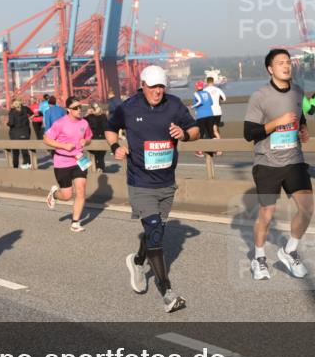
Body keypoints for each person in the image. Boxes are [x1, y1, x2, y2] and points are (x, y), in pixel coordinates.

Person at [106, 65, 198, 312]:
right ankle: (167, 291)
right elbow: (110, 128)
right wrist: (115, 147)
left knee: (155, 232)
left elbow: (195, 129)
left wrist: (185, 134)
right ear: (142, 85)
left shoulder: (174, 104)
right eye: (153, 87)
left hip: (167, 182)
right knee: (155, 231)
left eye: (161, 87)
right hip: (140, 182)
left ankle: (137, 261)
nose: (158, 92)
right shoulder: (129, 107)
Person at [243, 48, 312, 281]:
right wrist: (276, 123)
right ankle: (259, 257)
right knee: (267, 215)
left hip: (294, 160)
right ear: (270, 69)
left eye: (288, 62)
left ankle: (289, 250)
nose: (286, 65)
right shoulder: (259, 96)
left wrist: (303, 128)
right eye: (280, 62)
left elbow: (299, 116)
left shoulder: (298, 92)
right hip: (267, 163)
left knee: (307, 208)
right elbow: (248, 132)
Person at [44, 97, 92, 231]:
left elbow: (89, 137)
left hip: (79, 160)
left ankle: (75, 222)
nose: (79, 110)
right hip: (62, 161)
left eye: (80, 107)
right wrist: (63, 146)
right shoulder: (60, 123)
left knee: (81, 190)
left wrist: (86, 142)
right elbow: (46, 139)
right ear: (68, 110)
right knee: (67, 195)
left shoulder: (84, 123)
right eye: (75, 108)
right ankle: (54, 194)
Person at [191, 80, 216, 157]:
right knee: (210, 133)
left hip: (201, 116)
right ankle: (212, 150)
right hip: (210, 115)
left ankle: (200, 151)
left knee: (200, 134)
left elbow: (199, 102)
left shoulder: (196, 94)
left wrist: (192, 106)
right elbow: (211, 103)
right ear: (203, 86)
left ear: (196, 87)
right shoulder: (207, 93)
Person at [7, 98, 33, 169]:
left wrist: (7, 123)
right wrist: (29, 120)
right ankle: (27, 165)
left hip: (15, 134)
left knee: (15, 152)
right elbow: (32, 114)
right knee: (25, 151)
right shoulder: (25, 108)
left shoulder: (12, 112)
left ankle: (15, 167)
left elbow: (11, 123)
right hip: (26, 133)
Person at [203, 75, 227, 153]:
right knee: (215, 128)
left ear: (207, 82)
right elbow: (224, 99)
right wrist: (218, 100)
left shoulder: (204, 90)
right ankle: (216, 148)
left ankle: (219, 149)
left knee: (213, 130)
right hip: (218, 111)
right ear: (213, 82)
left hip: (209, 112)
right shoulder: (218, 89)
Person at [85, 102, 108, 173]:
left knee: (93, 157)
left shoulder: (89, 117)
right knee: (101, 157)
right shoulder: (103, 116)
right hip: (103, 139)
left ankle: (94, 172)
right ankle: (101, 170)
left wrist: (87, 114)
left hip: (93, 140)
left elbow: (82, 123)